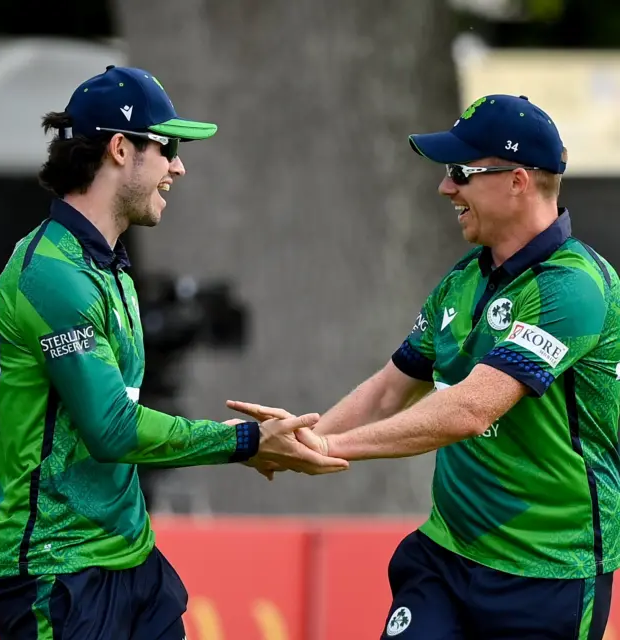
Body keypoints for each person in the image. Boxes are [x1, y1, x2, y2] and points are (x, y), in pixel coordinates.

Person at [227, 95, 620, 639]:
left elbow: (470, 409)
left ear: (518, 181)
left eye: (460, 172)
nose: (445, 188)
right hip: (445, 557)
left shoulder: (573, 286)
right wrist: (293, 438)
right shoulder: (463, 279)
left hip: (548, 573)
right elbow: (391, 389)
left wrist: (331, 450)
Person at [0, 65, 348, 640]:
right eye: (168, 146)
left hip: (132, 561)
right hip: (57, 574)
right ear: (121, 149)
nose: (178, 166)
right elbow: (111, 430)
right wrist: (245, 441)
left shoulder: (112, 268)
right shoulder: (51, 274)